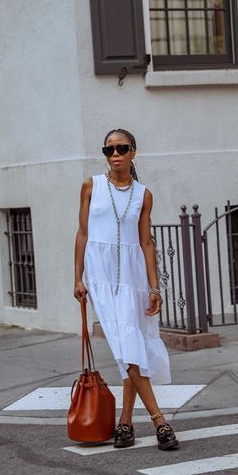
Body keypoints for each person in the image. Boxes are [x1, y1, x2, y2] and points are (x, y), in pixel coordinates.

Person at [74, 128, 179, 450]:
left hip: (133, 274)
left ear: (133, 151)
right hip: (101, 274)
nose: (115, 155)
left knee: (131, 346)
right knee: (125, 345)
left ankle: (125, 424)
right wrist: (77, 277)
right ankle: (160, 421)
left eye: (121, 148)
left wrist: (154, 287)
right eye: (109, 150)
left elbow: (147, 242)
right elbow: (82, 233)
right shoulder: (91, 185)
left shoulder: (144, 194)